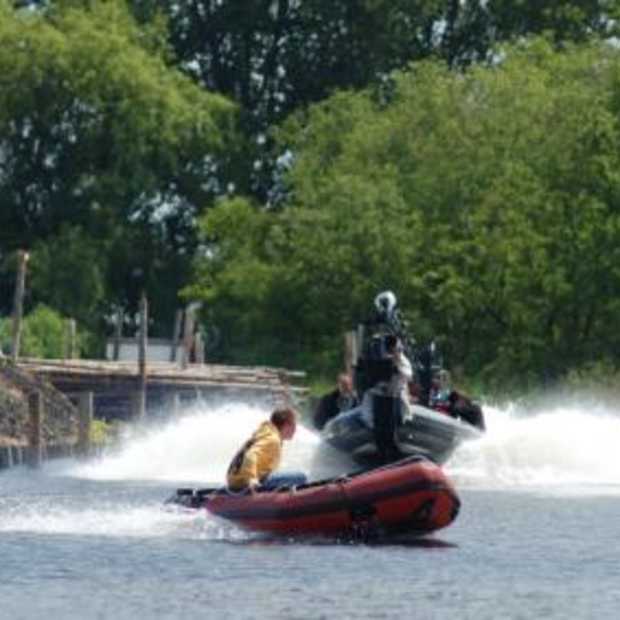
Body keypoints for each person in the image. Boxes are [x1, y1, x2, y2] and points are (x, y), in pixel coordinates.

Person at [226, 407, 307, 492]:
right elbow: (250, 455)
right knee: (301, 477)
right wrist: (252, 478)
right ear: (287, 425)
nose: (295, 429)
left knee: (282, 475)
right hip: (244, 482)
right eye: (294, 424)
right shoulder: (273, 440)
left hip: (235, 480)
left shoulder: (265, 433)